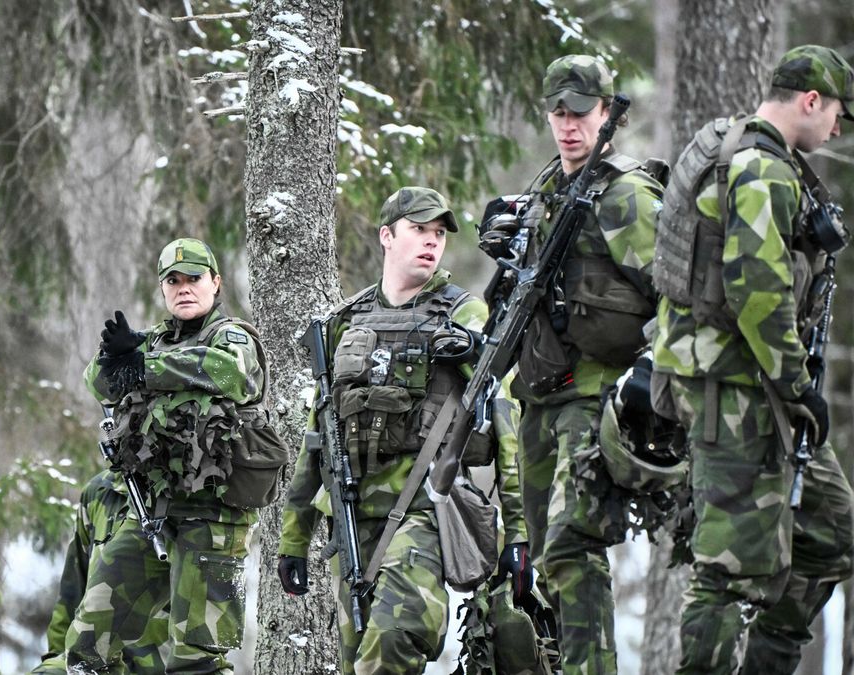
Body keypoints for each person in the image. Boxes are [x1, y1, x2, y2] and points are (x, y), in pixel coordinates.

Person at [650, 44, 854, 674]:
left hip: (750, 386)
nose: (839, 129)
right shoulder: (761, 168)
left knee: (834, 533)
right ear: (811, 101)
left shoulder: (738, 147)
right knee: (727, 571)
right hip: (736, 392)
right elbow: (758, 293)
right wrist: (798, 384)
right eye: (839, 113)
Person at [276, 186, 530, 674]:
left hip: (426, 511)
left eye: (439, 233)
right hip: (353, 517)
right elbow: (318, 435)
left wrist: (518, 534)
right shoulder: (345, 323)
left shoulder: (465, 316)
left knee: (392, 644)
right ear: (387, 236)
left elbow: (507, 426)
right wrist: (293, 538)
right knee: (356, 660)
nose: (432, 242)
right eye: (420, 230)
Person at [482, 55, 664, 675]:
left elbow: (682, 296)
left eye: (581, 113)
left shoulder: (626, 194)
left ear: (607, 112)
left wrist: (651, 373)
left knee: (572, 545)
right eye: (558, 112)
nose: (568, 126)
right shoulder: (544, 194)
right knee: (543, 559)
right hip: (538, 400)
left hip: (596, 399)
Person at [67, 237, 278, 673]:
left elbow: (229, 372)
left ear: (216, 283)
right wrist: (114, 355)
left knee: (197, 660)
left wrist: (142, 367)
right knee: (89, 639)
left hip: (215, 522)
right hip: (150, 512)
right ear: (163, 289)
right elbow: (100, 384)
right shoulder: (155, 342)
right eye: (173, 281)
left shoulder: (232, 338)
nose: (184, 288)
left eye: (194, 278)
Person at [31, 469, 169, 673]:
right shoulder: (100, 490)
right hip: (93, 660)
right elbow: (72, 591)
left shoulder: (188, 495)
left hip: (157, 665)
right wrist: (55, 661)